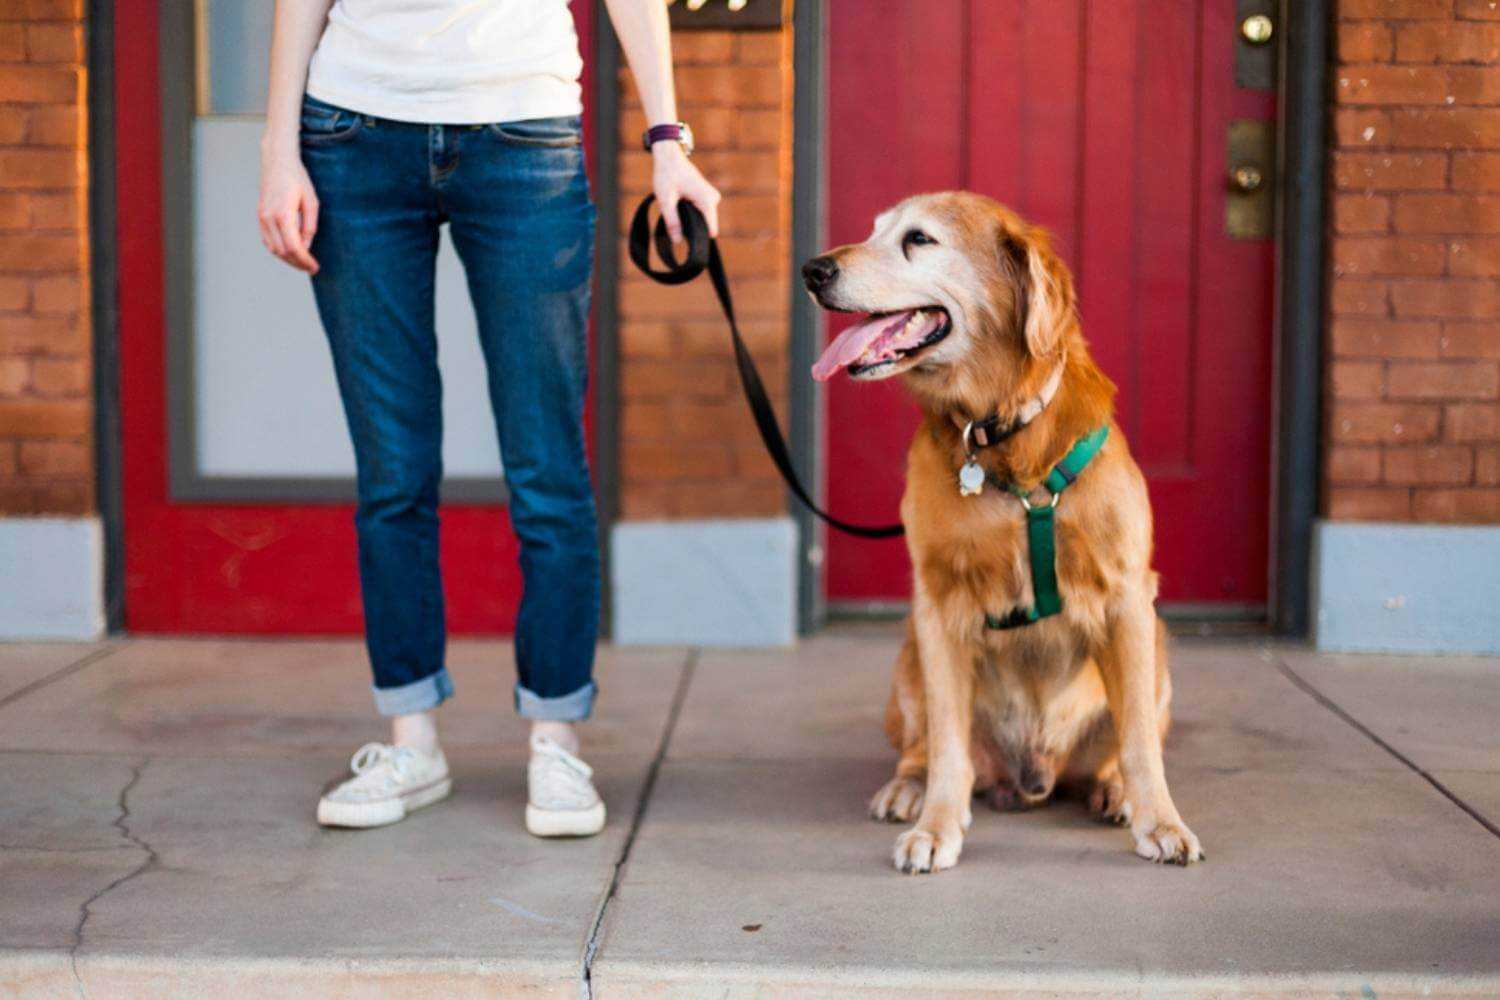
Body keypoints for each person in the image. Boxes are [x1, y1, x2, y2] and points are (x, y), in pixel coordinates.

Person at [258, 0, 720, 837]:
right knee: (393, 469)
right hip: (353, 137)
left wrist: (668, 140)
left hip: (523, 136)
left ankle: (555, 735)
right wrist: (277, 147)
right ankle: (411, 740)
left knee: (547, 464)